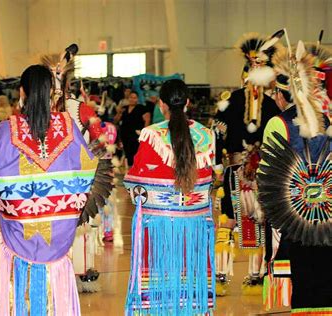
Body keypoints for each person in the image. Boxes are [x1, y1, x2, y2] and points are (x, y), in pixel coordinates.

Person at [0, 64, 98, 315]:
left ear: (22, 91)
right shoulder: (67, 127)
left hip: (18, 236)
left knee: (20, 294)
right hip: (59, 235)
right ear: (50, 92)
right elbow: (85, 170)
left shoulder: (6, 129)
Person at [124, 79, 215, 315]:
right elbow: (209, 178)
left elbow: (136, 182)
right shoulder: (206, 135)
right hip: (194, 228)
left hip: (158, 229)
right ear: (187, 102)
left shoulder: (151, 135)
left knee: (157, 290)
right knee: (190, 284)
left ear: (161, 104)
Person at [258, 39, 331, 315]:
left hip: (296, 217)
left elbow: (268, 178)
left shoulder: (278, 123)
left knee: (304, 281)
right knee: (326, 277)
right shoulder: (328, 118)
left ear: (280, 95)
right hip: (329, 216)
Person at [213, 31, 283, 295]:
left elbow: (217, 134)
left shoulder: (229, 100)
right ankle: (256, 277)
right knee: (257, 220)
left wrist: (218, 167)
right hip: (263, 172)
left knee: (229, 220)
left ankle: (221, 277)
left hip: (236, 171)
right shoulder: (275, 105)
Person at [115, 91, 150, 167]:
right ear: (128, 98)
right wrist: (119, 112)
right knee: (126, 152)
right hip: (125, 134)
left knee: (135, 152)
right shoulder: (124, 108)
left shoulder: (141, 108)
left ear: (137, 99)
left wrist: (144, 132)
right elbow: (116, 120)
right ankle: (128, 168)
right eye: (131, 97)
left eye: (134, 98)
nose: (132, 99)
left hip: (136, 134)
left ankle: (135, 168)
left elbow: (147, 120)